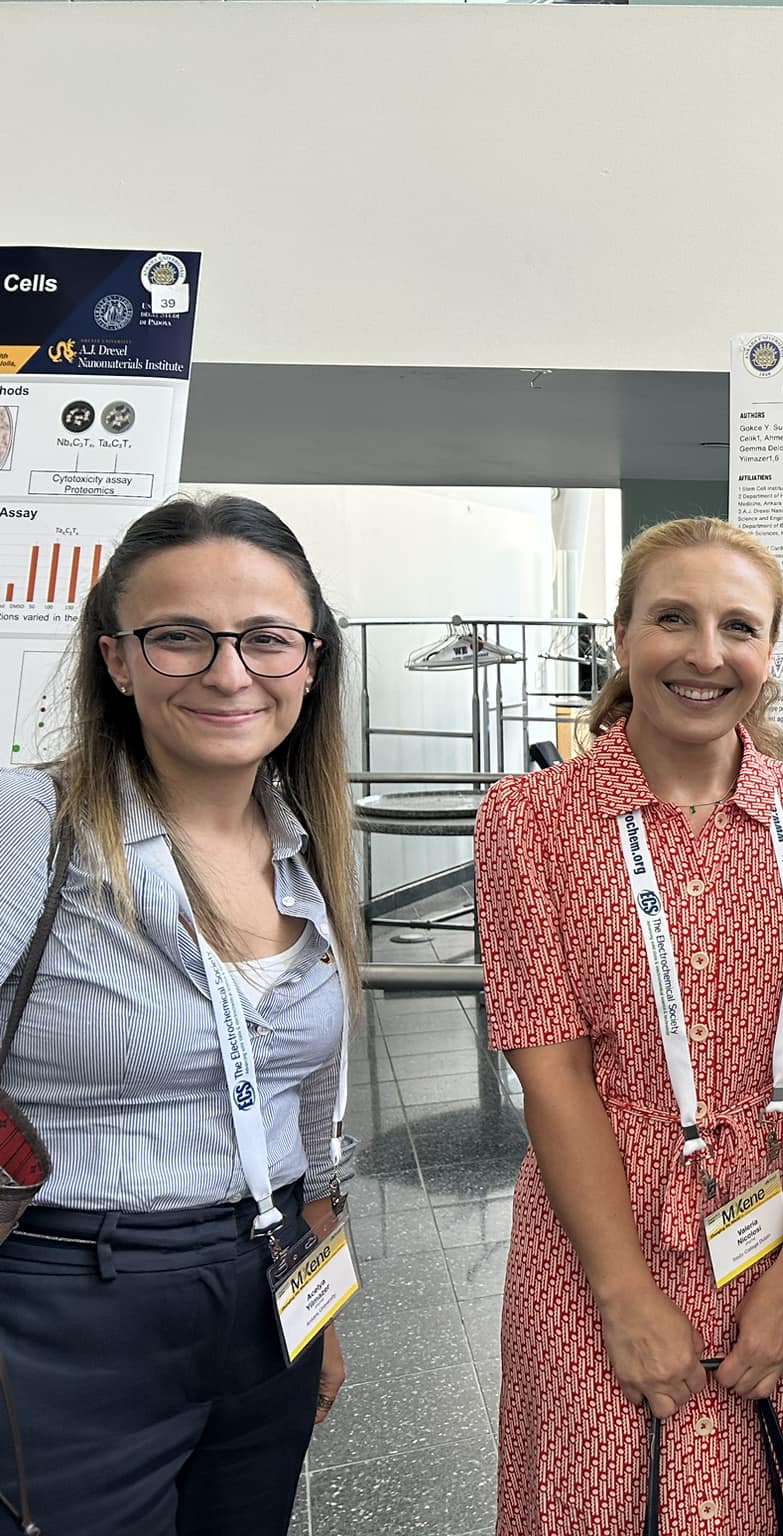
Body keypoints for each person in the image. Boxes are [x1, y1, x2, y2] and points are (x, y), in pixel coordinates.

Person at [475, 518, 783, 1535]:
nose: (705, 654)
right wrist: (624, 1296)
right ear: (621, 636)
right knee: (603, 1497)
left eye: (737, 628)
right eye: (673, 618)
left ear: (766, 653)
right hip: (597, 1238)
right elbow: (552, 1072)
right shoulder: (527, 820)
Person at [0, 494, 360, 1533]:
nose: (228, 670)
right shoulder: (33, 825)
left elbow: (310, 1133)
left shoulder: (302, 847)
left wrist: (320, 1318)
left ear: (310, 659)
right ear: (116, 659)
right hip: (64, 1304)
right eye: (179, 637)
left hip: (264, 1304)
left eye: (264, 638)